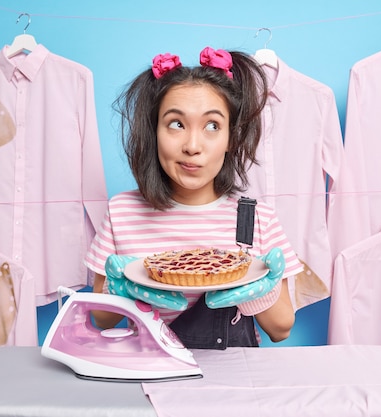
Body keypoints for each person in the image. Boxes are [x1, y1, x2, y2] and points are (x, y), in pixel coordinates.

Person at [85, 46, 303, 348]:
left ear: (231, 138)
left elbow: (281, 330)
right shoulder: (122, 212)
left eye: (212, 126)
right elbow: (100, 318)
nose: (192, 145)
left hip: (233, 385)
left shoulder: (255, 218)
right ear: (154, 130)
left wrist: (258, 289)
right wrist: (119, 289)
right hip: (153, 379)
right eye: (176, 124)